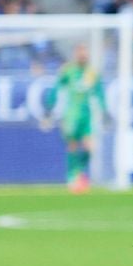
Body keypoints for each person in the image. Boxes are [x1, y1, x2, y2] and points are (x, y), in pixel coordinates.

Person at [45, 42, 101, 193]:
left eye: (85, 52)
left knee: (90, 148)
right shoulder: (68, 71)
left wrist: (104, 110)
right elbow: (56, 89)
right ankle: (72, 177)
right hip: (71, 115)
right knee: (73, 146)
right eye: (80, 52)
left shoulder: (92, 72)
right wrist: (49, 108)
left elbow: (99, 93)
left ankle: (77, 172)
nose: (83, 55)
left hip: (87, 116)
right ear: (76, 54)